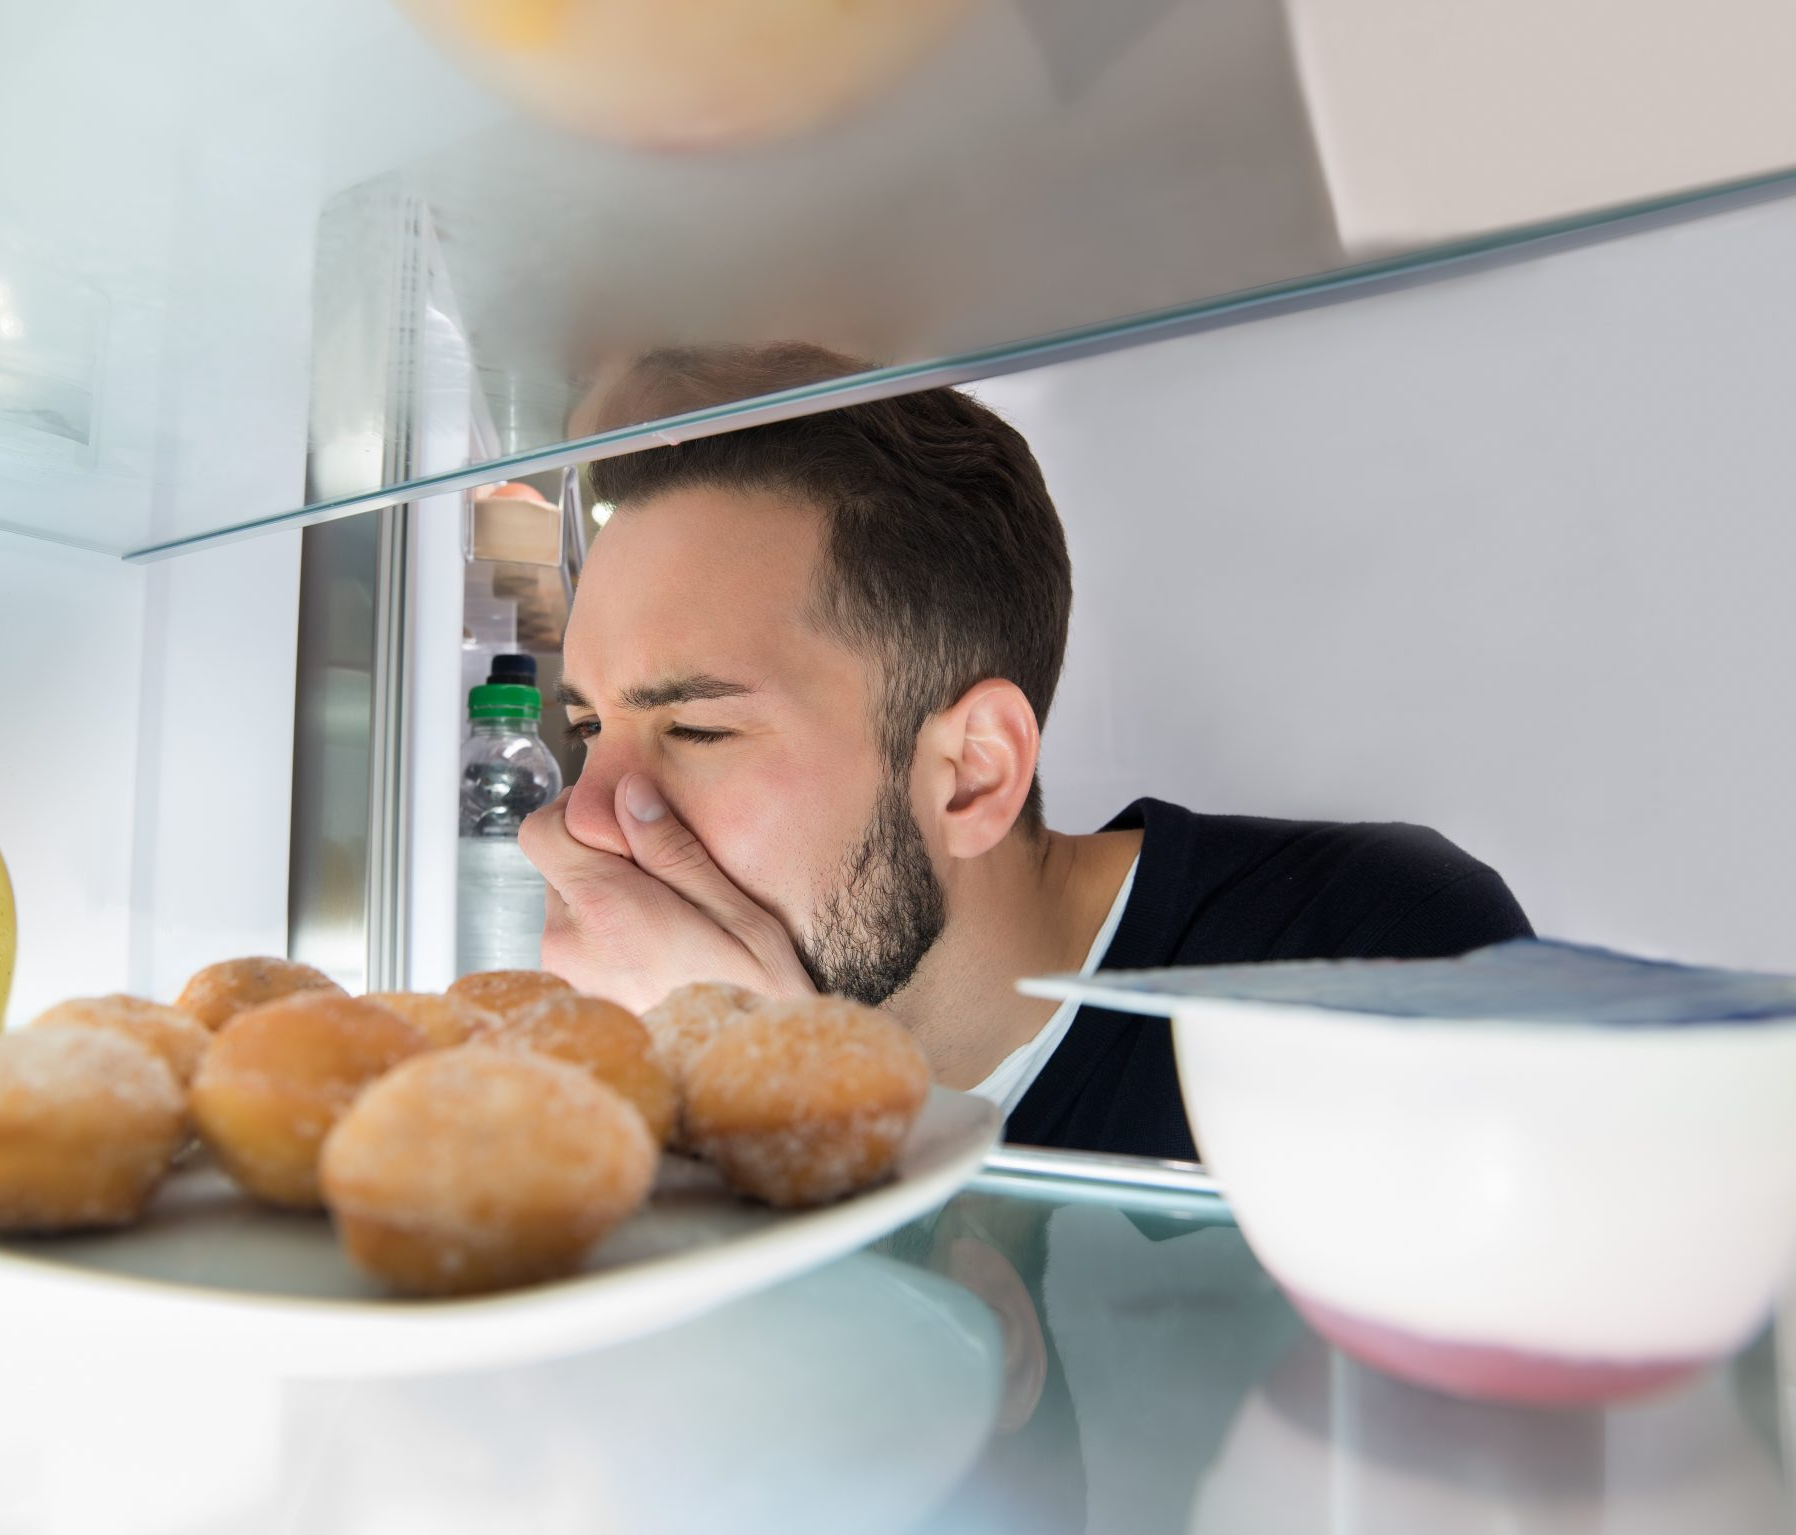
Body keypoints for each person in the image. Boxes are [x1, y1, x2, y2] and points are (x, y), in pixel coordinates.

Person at [520, 343, 1530, 1160]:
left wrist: (786, 1103)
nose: (584, 819)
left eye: (695, 728)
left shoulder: (1376, 956)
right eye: (588, 729)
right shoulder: (656, 1082)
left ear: (973, 773)